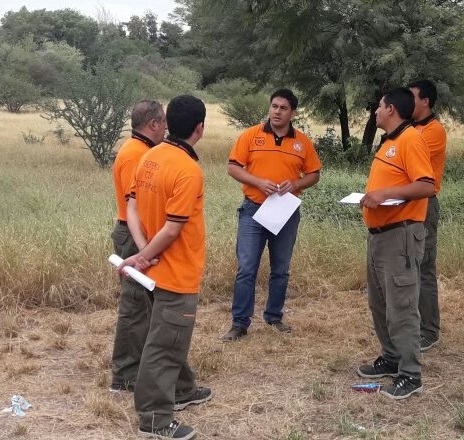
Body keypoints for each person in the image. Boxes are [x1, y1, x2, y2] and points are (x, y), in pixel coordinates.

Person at [120, 95, 212, 440]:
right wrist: (144, 255)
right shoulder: (188, 170)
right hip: (175, 272)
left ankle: (183, 390)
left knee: (168, 334)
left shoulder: (150, 156)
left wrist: (141, 251)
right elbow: (173, 229)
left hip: (153, 268)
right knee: (165, 343)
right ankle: (155, 419)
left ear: (168, 123)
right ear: (199, 128)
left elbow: (131, 206)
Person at [222, 89, 322, 341]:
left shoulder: (302, 142)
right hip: (253, 210)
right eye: (274, 106)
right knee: (246, 268)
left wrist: (296, 183)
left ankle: (274, 317)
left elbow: (314, 174)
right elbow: (233, 167)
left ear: (293, 113)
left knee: (281, 268)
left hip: (285, 212)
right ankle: (239, 323)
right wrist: (257, 182)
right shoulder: (251, 135)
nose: (277, 112)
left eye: (283, 108)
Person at [356, 87, 435, 400]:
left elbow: (426, 185)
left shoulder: (410, 138)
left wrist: (385, 194)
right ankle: (391, 357)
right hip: (379, 235)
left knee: (401, 306)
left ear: (390, 109)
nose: (375, 111)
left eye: (379, 106)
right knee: (380, 303)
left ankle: (410, 374)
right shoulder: (389, 142)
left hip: (400, 235)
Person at [109, 100, 166, 393]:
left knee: (146, 304)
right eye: (164, 121)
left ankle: (144, 365)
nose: (167, 127)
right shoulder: (135, 154)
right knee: (133, 306)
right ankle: (125, 376)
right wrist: (144, 249)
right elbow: (135, 206)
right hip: (134, 236)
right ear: (153, 124)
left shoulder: (141, 149)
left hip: (141, 236)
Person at [407, 80, 447, 352]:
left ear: (426, 101)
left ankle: (429, 330)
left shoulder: (433, 130)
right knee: (406, 265)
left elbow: (409, 160)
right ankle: (409, 323)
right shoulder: (410, 128)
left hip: (423, 203)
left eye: (412, 97)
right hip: (405, 203)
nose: (407, 102)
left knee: (424, 267)